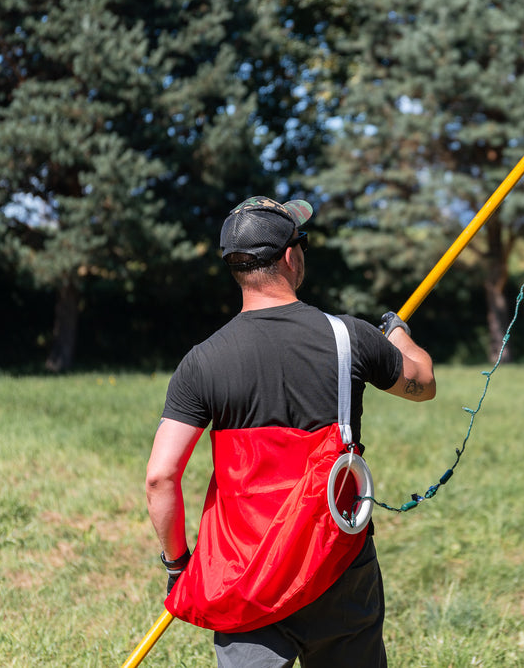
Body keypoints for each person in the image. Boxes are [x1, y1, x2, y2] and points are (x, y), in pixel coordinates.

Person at [145, 195, 436, 668]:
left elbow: (161, 477)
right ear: (288, 256)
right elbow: (422, 384)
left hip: (245, 577)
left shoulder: (202, 361)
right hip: (337, 565)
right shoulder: (350, 338)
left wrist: (179, 566)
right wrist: (396, 332)